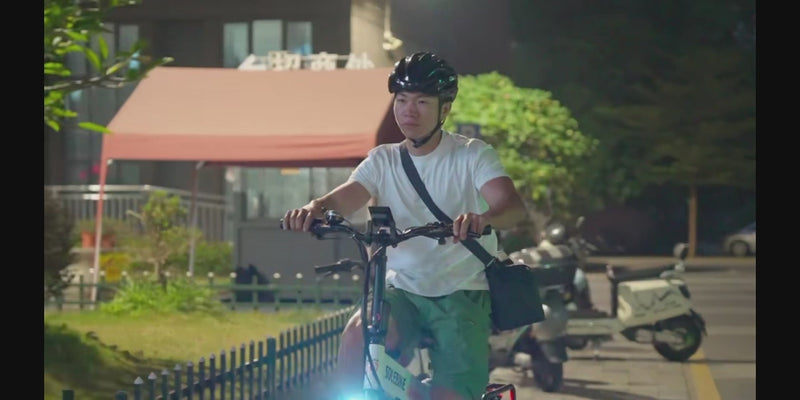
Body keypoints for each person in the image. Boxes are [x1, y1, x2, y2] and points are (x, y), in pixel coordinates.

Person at [281, 51, 528, 400]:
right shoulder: (382, 160)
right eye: (401, 100)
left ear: (445, 109)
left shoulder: (472, 155)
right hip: (401, 290)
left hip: (461, 290)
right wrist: (314, 208)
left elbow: (512, 207)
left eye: (422, 101)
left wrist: (483, 219)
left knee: (451, 396)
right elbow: (343, 199)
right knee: (357, 337)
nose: (409, 110)